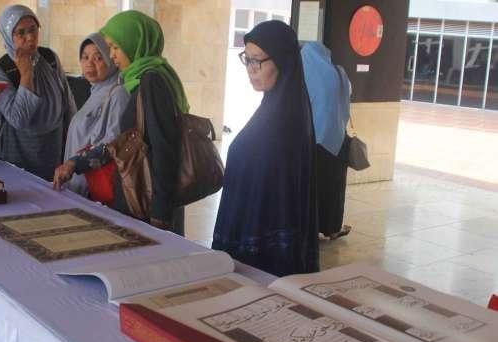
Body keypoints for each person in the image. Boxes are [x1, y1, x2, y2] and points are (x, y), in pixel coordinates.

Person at [53, 10, 189, 235]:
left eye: (115, 47)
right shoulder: (138, 80)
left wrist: (161, 215)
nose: (112, 56)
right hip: (142, 193)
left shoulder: (151, 81)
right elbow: (126, 141)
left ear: (133, 43)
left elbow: (164, 150)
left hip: (149, 202)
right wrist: (77, 163)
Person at [211, 20, 319, 277]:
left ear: (282, 61)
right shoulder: (274, 107)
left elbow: (280, 199)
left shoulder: (286, 118)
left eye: (257, 60)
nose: (251, 69)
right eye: (246, 60)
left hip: (263, 255)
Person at [0, 5, 76, 181]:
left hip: (52, 151)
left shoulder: (50, 59)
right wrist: (26, 74)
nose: (30, 38)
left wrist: (72, 150)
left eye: (33, 30)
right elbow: (19, 119)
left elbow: (67, 105)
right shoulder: (0, 72)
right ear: (9, 36)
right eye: (21, 33)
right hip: (17, 155)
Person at [62, 32, 129, 197]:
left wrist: (77, 164)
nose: (89, 64)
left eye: (98, 58)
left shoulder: (117, 93)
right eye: (85, 57)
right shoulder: (96, 91)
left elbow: (113, 142)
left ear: (111, 60)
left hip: (93, 187)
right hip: (78, 182)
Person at [301, 41, 352, 240]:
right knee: (335, 187)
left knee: (313, 187)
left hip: (314, 140)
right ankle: (332, 227)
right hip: (339, 139)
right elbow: (348, 97)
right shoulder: (340, 73)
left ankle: (310, 227)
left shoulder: (306, 75)